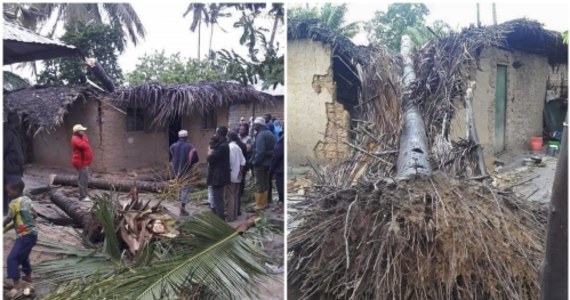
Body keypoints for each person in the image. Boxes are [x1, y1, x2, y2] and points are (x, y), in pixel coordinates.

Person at [4, 177, 38, 298]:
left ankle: (16, 287)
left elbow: (8, 219)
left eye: (9, 191)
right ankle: (28, 280)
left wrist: (3, 225)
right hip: (33, 235)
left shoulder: (14, 203)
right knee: (23, 257)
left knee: (12, 259)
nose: (8, 194)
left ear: (17, 190)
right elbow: (35, 214)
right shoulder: (27, 199)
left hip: (24, 236)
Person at [170, 130, 199, 216]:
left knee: (179, 187)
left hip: (176, 171)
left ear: (179, 137)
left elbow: (172, 155)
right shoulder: (190, 147)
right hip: (186, 171)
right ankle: (182, 207)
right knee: (185, 189)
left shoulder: (173, 146)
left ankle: (179, 203)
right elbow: (195, 159)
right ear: (186, 137)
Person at [250, 117, 276, 210]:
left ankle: (260, 204)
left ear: (259, 125)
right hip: (268, 163)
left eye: (255, 125)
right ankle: (265, 203)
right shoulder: (270, 133)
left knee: (259, 184)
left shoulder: (261, 135)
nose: (253, 126)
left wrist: (255, 162)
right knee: (266, 183)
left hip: (261, 164)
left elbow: (260, 152)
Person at [207, 126, 231, 220]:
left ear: (219, 134)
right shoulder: (222, 144)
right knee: (218, 198)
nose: (215, 135)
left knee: (218, 199)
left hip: (218, 177)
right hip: (219, 175)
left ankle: (220, 219)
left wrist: (209, 151)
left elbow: (210, 158)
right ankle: (219, 216)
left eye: (216, 133)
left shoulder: (222, 146)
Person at [4, 112, 24, 216]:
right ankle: (19, 212)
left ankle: (7, 211)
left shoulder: (12, 132)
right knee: (16, 189)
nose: (20, 122)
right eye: (18, 120)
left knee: (8, 189)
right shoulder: (7, 133)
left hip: (14, 167)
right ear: (15, 121)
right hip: (10, 167)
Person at [226, 132, 246, 221]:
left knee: (230, 196)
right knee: (235, 196)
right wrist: (240, 172)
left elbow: (229, 162)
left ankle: (230, 217)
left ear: (229, 138)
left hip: (231, 175)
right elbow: (243, 162)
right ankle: (234, 215)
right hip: (238, 175)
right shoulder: (238, 147)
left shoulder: (230, 147)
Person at [71, 124, 93, 201]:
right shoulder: (75, 139)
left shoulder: (79, 138)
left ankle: (84, 194)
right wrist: (84, 137)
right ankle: (83, 197)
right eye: (81, 130)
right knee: (83, 179)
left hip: (84, 162)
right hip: (80, 162)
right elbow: (84, 145)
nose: (83, 132)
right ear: (77, 132)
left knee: (84, 178)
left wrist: (83, 137)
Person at [238, 124, 253, 214]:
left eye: (242, 129)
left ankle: (241, 192)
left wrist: (239, 146)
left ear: (246, 130)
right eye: (240, 129)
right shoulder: (237, 137)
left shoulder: (249, 139)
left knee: (242, 178)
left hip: (244, 161)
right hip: (237, 161)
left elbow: (247, 149)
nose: (240, 131)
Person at [270, 131, 284, 212]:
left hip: (280, 169)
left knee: (281, 187)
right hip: (282, 168)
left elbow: (276, 155)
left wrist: (272, 167)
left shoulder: (282, 140)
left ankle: (282, 205)